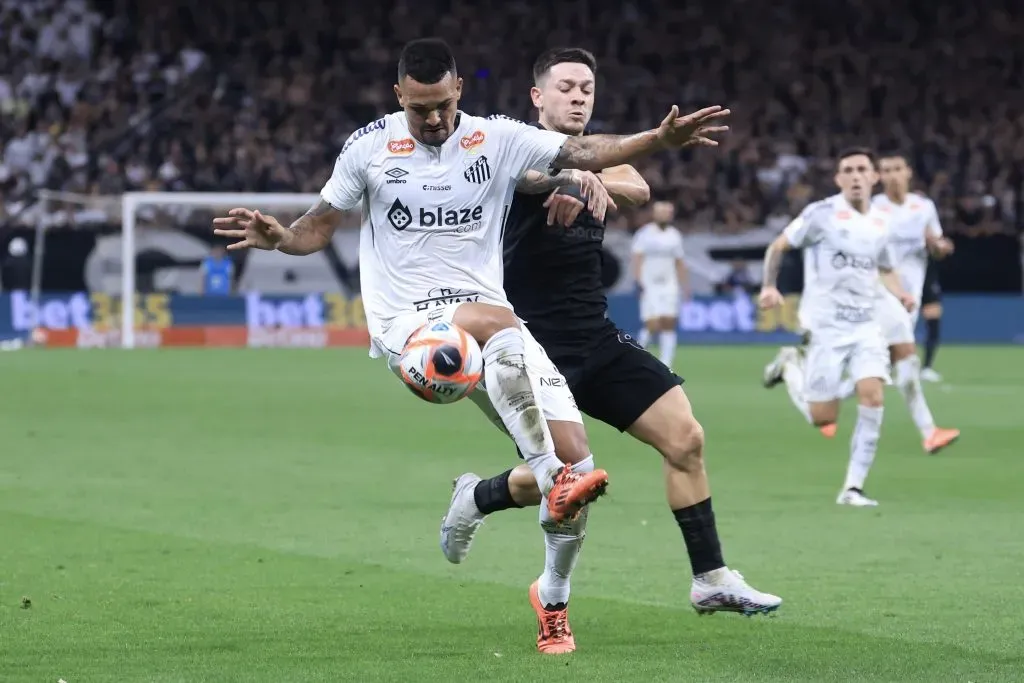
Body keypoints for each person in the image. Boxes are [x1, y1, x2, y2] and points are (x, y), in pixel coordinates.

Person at [211, 36, 731, 636]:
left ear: (459, 89)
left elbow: (586, 150)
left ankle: (552, 601)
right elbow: (315, 228)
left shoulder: (495, 137)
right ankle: (547, 472)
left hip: (490, 314)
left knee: (578, 465)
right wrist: (279, 237)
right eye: (419, 108)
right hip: (409, 321)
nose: (433, 119)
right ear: (399, 95)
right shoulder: (369, 147)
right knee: (507, 351)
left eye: (442, 106)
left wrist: (657, 141)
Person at [438, 47, 780, 655]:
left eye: (587, 87)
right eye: (565, 86)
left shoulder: (598, 156)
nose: (578, 96)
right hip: (527, 349)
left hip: (594, 337)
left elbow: (638, 183)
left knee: (687, 439)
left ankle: (710, 578)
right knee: (571, 482)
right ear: (536, 97)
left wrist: (591, 174)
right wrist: (569, 176)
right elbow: (528, 178)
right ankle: (543, 584)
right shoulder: (503, 150)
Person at [759, 148, 916, 507]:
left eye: (863, 169)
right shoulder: (822, 214)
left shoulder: (881, 223)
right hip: (826, 327)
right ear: (839, 179)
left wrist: (902, 293)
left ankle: (852, 488)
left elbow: (885, 267)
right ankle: (789, 367)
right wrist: (770, 285)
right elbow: (778, 246)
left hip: (866, 325)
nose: (856, 175)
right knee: (822, 416)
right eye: (849, 170)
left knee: (873, 395)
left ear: (874, 177)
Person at [632, 200, 690, 367]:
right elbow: (637, 258)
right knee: (652, 323)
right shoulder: (644, 234)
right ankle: (639, 354)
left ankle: (666, 363)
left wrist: (685, 286)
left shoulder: (675, 235)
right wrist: (637, 280)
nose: (665, 215)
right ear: (654, 214)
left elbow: (679, 262)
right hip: (649, 283)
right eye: (662, 212)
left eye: (668, 212)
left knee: (669, 322)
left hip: (669, 284)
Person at [919, 257, 945, 382]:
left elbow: (939, 251)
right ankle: (887, 368)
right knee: (897, 326)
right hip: (904, 280)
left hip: (928, 280)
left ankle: (926, 368)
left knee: (933, 325)